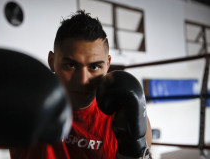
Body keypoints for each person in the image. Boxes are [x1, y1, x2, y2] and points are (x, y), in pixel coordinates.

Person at [10, 10, 152, 159]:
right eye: (71, 65)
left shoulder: (125, 115)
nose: (83, 80)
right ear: (52, 61)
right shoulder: (26, 106)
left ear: (108, 64)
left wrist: (133, 149)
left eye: (95, 67)